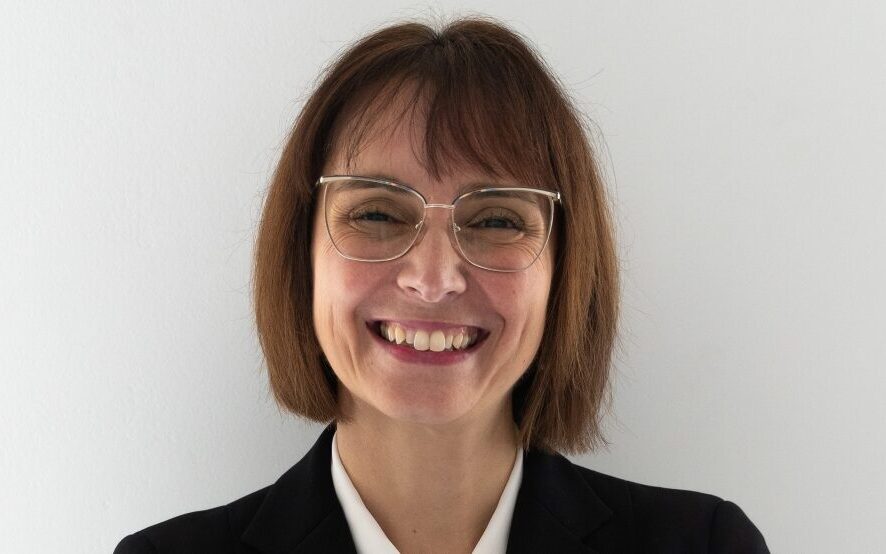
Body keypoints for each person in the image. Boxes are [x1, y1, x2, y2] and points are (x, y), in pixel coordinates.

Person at [114, 15, 769, 554]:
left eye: (495, 220)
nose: (432, 279)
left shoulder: (705, 545)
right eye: (376, 214)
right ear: (301, 256)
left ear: (565, 271)